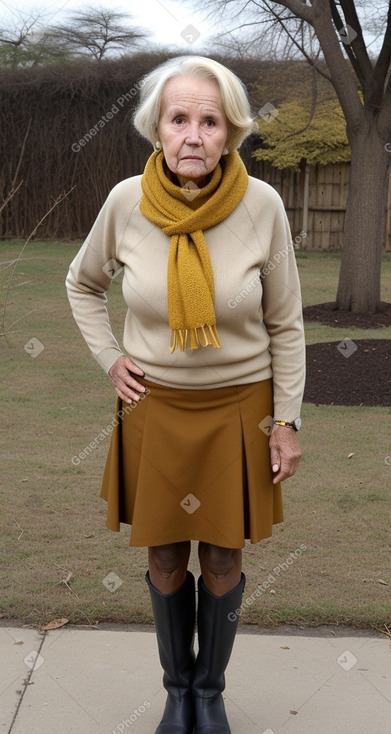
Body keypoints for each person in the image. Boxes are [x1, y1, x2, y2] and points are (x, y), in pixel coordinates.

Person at [66, 55, 305, 734]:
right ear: (157, 129)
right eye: (179, 119)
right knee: (166, 550)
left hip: (241, 407)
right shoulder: (125, 202)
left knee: (225, 551)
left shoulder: (262, 206)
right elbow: (82, 284)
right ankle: (176, 690)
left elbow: (285, 323)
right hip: (156, 408)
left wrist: (285, 419)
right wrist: (111, 357)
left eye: (210, 120)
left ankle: (210, 691)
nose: (193, 134)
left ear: (229, 133)